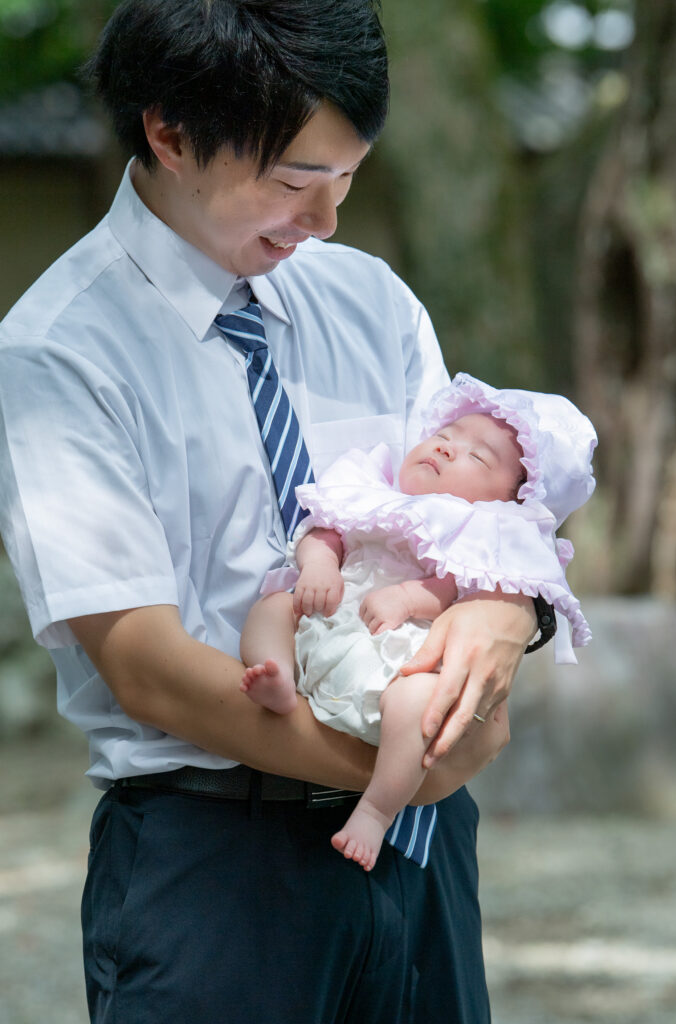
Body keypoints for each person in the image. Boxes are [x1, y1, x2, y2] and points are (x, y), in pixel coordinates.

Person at [0, 2, 558, 1021]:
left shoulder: (371, 303)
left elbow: (485, 517)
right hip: (218, 860)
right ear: (171, 134)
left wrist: (505, 612)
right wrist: (398, 775)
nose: (326, 220)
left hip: (424, 854)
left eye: (349, 178)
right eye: (297, 181)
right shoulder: (60, 353)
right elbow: (145, 665)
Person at [240, 374, 596, 870]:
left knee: (417, 707)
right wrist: (319, 565)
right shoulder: (372, 485)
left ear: (511, 501)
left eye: (477, 458)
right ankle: (278, 675)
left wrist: (410, 598)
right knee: (274, 607)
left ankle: (376, 810)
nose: (447, 448)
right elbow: (323, 531)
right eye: (445, 436)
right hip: (328, 620)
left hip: (395, 663)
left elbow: (451, 592)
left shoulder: (477, 534)